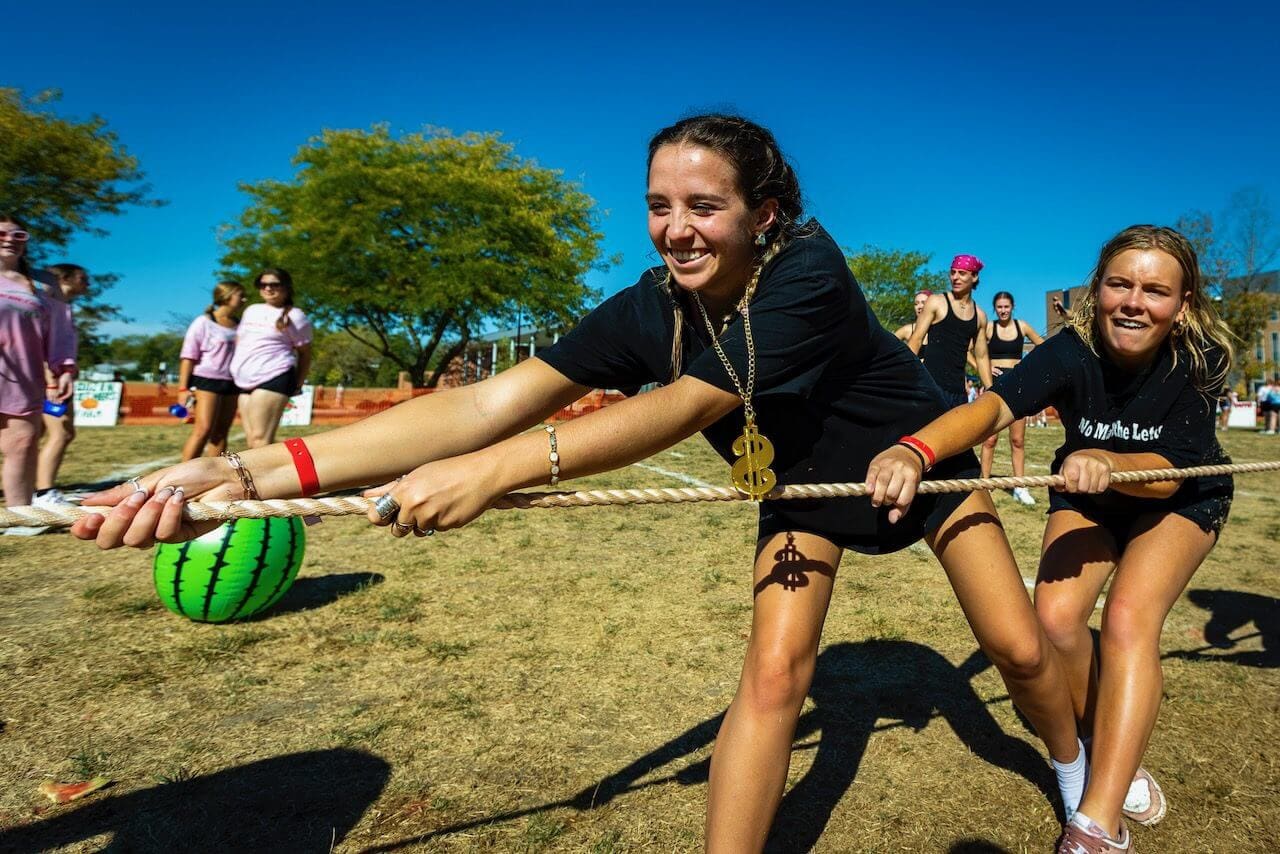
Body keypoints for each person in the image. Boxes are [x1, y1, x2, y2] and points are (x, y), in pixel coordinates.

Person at [72, 115, 1083, 850]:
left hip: (918, 451)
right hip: (800, 487)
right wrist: (245, 467)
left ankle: (1076, 770)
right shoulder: (645, 308)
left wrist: (500, 469)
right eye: (657, 205)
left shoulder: (806, 269)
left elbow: (685, 406)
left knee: (1013, 647)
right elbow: (484, 404)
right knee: (773, 674)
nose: (675, 228)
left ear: (763, 212)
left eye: (703, 206)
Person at [865, 224, 1234, 853]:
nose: (1133, 302)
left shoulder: (1199, 362)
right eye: (1119, 284)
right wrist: (917, 447)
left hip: (1178, 496)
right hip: (1090, 491)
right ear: (1097, 290)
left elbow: (1169, 478)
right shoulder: (1070, 351)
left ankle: (1099, 820)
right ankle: (1108, 742)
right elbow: (993, 408)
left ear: (1185, 304)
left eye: (1155, 290)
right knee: (1057, 621)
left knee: (1126, 621)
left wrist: (1114, 463)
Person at [0, 216, 76, 534]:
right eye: (1, 233)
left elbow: (60, 330)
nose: (9, 239)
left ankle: (19, 518)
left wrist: (64, 367)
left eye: (18, 234)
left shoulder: (43, 284)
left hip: (22, 376)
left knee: (23, 441)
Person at [230, 269, 312, 448]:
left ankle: (267, 476)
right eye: (263, 284)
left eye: (274, 284)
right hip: (245, 381)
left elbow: (305, 353)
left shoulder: (295, 316)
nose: (268, 288)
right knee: (252, 440)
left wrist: (297, 384)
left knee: (261, 439)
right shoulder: (251, 310)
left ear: (286, 287)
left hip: (275, 375)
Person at [33, 263, 90, 508]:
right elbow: (40, 343)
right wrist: (50, 380)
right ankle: (44, 493)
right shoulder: (48, 305)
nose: (87, 283)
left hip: (58, 377)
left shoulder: (63, 307)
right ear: (64, 278)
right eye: (83, 278)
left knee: (41, 435)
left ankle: (34, 489)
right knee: (61, 432)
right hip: (50, 379)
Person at [981, 291, 1045, 506]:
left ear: (1012, 307)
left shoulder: (1022, 326)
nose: (1003, 310)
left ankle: (1020, 487)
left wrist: (1027, 368)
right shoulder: (989, 328)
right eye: (999, 307)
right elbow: (973, 349)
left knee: (1017, 440)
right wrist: (986, 365)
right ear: (995, 308)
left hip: (1017, 384)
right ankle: (983, 485)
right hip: (995, 385)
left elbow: (1043, 346)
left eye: (1006, 306)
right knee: (990, 439)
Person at [908, 254, 993, 407]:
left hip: (958, 393)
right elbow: (916, 339)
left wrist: (991, 389)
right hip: (931, 387)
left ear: (974, 277)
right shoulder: (936, 302)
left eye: (962, 273)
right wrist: (905, 374)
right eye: (953, 272)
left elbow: (981, 356)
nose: (955, 277)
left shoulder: (980, 316)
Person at [178, 281, 246, 460]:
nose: (244, 299)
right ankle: (183, 476)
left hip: (232, 383)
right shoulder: (203, 322)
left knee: (221, 433)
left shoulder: (241, 325)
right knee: (203, 429)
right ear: (227, 296)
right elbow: (188, 356)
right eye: (240, 295)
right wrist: (183, 389)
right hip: (207, 380)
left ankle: (214, 476)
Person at [892, 288, 931, 361]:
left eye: (923, 303)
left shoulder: (940, 330)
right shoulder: (907, 330)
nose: (919, 307)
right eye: (916, 304)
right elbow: (887, 346)